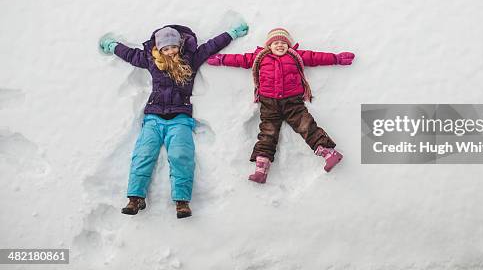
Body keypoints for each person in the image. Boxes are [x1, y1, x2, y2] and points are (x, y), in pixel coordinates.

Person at [99, 22, 248, 217]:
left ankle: (182, 201)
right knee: (143, 155)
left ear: (180, 45)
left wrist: (232, 33)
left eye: (173, 47)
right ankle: (135, 198)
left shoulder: (190, 59)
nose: (170, 51)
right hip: (153, 118)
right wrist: (113, 46)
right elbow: (130, 55)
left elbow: (212, 45)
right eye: (166, 48)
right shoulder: (151, 59)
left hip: (180, 118)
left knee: (181, 156)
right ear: (159, 48)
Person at [207, 27, 355, 184]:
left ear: (289, 45)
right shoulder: (259, 56)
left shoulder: (296, 56)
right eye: (275, 42)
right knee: (267, 133)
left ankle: (329, 153)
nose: (280, 45)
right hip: (269, 103)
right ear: (268, 46)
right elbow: (241, 60)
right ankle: (261, 169)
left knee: (306, 125)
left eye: (283, 43)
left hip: (293, 103)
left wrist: (336, 58)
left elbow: (315, 57)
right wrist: (222, 59)